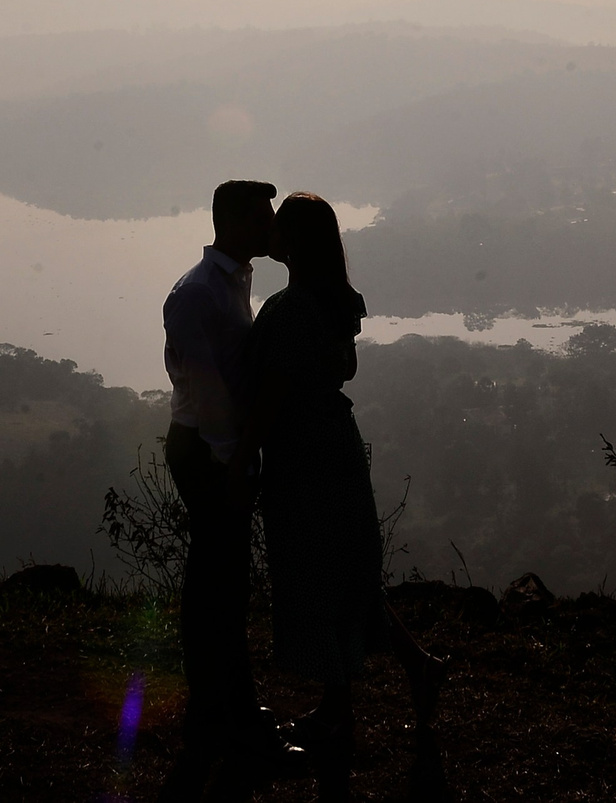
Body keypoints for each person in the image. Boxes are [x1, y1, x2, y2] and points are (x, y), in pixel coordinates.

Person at [247, 191, 449, 798]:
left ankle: (352, 703)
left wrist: (248, 455)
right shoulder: (333, 302)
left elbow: (273, 392)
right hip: (336, 444)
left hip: (303, 455)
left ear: (297, 242)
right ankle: (377, 688)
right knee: (345, 573)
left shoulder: (287, 312)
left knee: (318, 573)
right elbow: (339, 372)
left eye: (283, 227)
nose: (273, 234)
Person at [159, 179, 298, 800]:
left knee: (220, 584)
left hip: (216, 451)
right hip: (208, 453)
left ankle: (222, 712)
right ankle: (229, 718)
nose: (271, 226)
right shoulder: (197, 295)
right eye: (263, 215)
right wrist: (236, 467)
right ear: (236, 222)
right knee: (218, 586)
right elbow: (208, 394)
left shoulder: (230, 283)